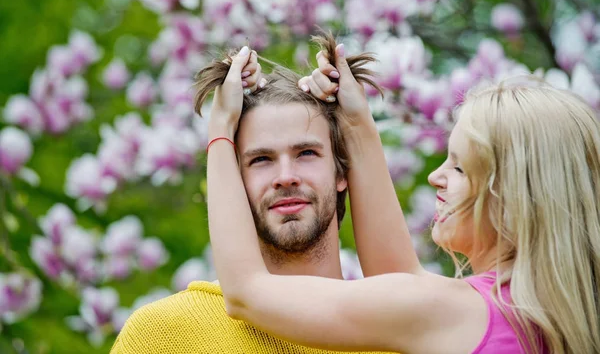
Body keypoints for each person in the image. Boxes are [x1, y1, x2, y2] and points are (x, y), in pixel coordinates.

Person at [207, 37, 600, 354]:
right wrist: (356, 123)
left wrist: (221, 129)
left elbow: (245, 292)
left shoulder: (452, 312)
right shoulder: (560, 316)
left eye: (459, 168)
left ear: (517, 193)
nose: (435, 176)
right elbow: (398, 281)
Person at [109, 42, 396, 354]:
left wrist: (356, 124)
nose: (286, 176)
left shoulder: (399, 332)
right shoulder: (160, 335)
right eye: (261, 159)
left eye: (306, 153)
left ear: (342, 172)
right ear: (234, 179)